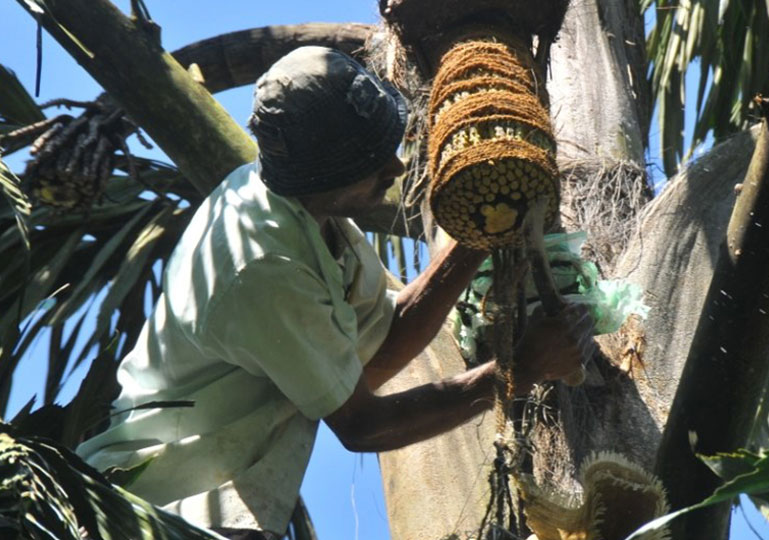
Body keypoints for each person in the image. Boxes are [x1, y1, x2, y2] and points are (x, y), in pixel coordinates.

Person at [76, 46, 591, 539]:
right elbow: (362, 426)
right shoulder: (264, 265)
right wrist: (519, 371)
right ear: (325, 173)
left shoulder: (312, 211)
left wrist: (476, 234)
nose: (394, 169)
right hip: (160, 505)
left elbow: (376, 352)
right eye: (373, 161)